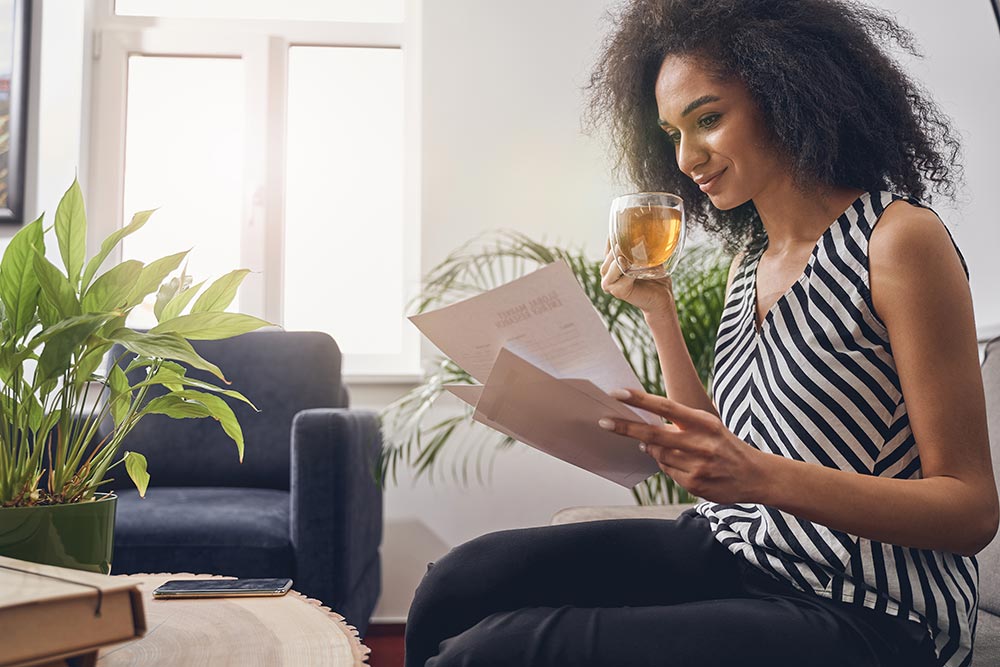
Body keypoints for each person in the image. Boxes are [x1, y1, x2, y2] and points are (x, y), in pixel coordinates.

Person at [404, 0, 998, 665]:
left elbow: (969, 510)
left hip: (869, 607)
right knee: (456, 583)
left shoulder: (898, 242)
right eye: (671, 132)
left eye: (708, 119)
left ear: (790, 92)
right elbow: (718, 452)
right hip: (740, 548)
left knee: (494, 652)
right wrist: (657, 309)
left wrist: (758, 476)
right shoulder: (752, 261)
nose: (687, 157)